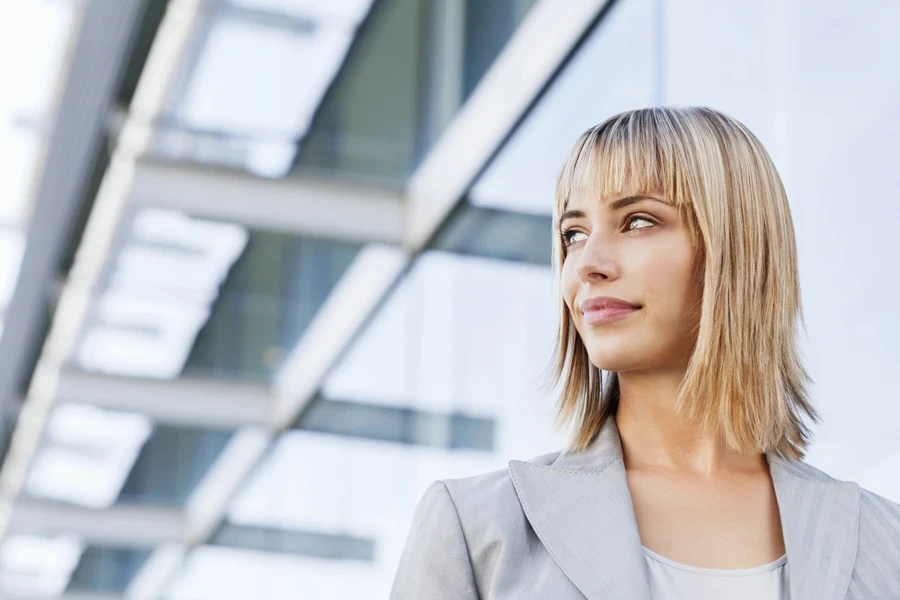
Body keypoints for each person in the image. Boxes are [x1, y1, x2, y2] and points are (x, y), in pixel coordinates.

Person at [388, 107, 900, 599]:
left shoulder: (884, 544)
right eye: (573, 233)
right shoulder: (477, 529)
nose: (587, 264)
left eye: (637, 221)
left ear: (736, 245)